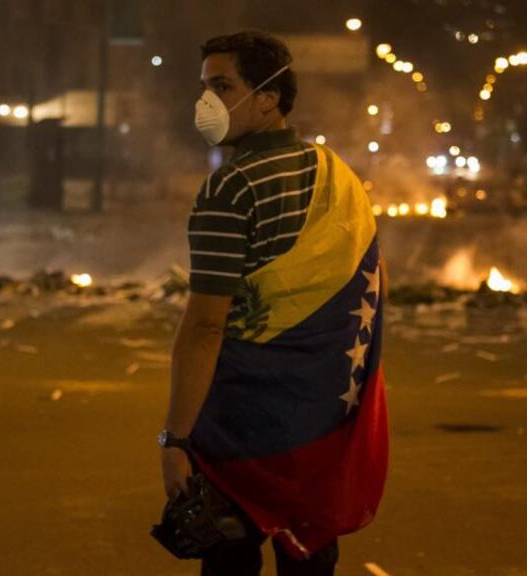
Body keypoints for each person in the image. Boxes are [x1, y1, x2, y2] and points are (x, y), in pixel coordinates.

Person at [158, 31, 389, 576]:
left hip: (238, 430)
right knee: (309, 559)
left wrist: (176, 438)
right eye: (204, 87)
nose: (206, 102)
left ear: (267, 97)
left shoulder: (231, 190)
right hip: (318, 423)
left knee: (230, 557)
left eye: (221, 85)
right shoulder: (340, 177)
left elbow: (205, 329)